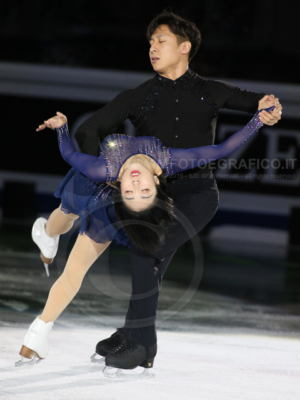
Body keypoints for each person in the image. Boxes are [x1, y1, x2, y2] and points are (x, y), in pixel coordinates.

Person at [64, 10, 282, 370]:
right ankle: (133, 334)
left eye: (160, 40)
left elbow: (254, 101)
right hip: (156, 198)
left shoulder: (210, 91)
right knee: (148, 255)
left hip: (197, 195)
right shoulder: (140, 95)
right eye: (150, 42)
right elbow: (90, 127)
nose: (152, 47)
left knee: (145, 248)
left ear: (184, 47)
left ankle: (141, 344)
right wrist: (107, 175)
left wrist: (268, 107)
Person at [17, 102, 274, 368]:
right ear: (157, 185)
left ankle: (38, 332)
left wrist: (62, 130)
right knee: (62, 220)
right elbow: (221, 149)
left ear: (121, 193)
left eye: (130, 193)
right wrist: (257, 120)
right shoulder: (171, 161)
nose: (136, 185)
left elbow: (70, 154)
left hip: (99, 201)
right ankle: (47, 234)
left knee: (73, 267)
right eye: (144, 192)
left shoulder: (101, 170)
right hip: (88, 188)